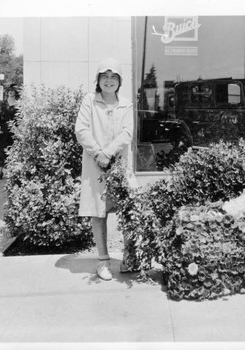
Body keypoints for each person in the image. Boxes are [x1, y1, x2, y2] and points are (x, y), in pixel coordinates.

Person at [75, 58, 135, 281]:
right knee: (98, 212)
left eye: (113, 77)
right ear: (98, 80)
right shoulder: (89, 101)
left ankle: (131, 257)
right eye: (104, 76)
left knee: (128, 208)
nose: (109, 81)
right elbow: (81, 129)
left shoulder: (126, 104)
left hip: (119, 164)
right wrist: (97, 153)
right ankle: (103, 261)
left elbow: (127, 132)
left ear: (119, 81)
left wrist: (108, 152)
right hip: (95, 164)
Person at [0, 85, 19, 180]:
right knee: (1, 151)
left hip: (15, 130)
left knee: (14, 151)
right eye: (9, 90)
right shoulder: (3, 103)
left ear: (16, 92)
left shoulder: (19, 103)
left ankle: (13, 173)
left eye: (13, 91)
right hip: (4, 130)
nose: (11, 92)